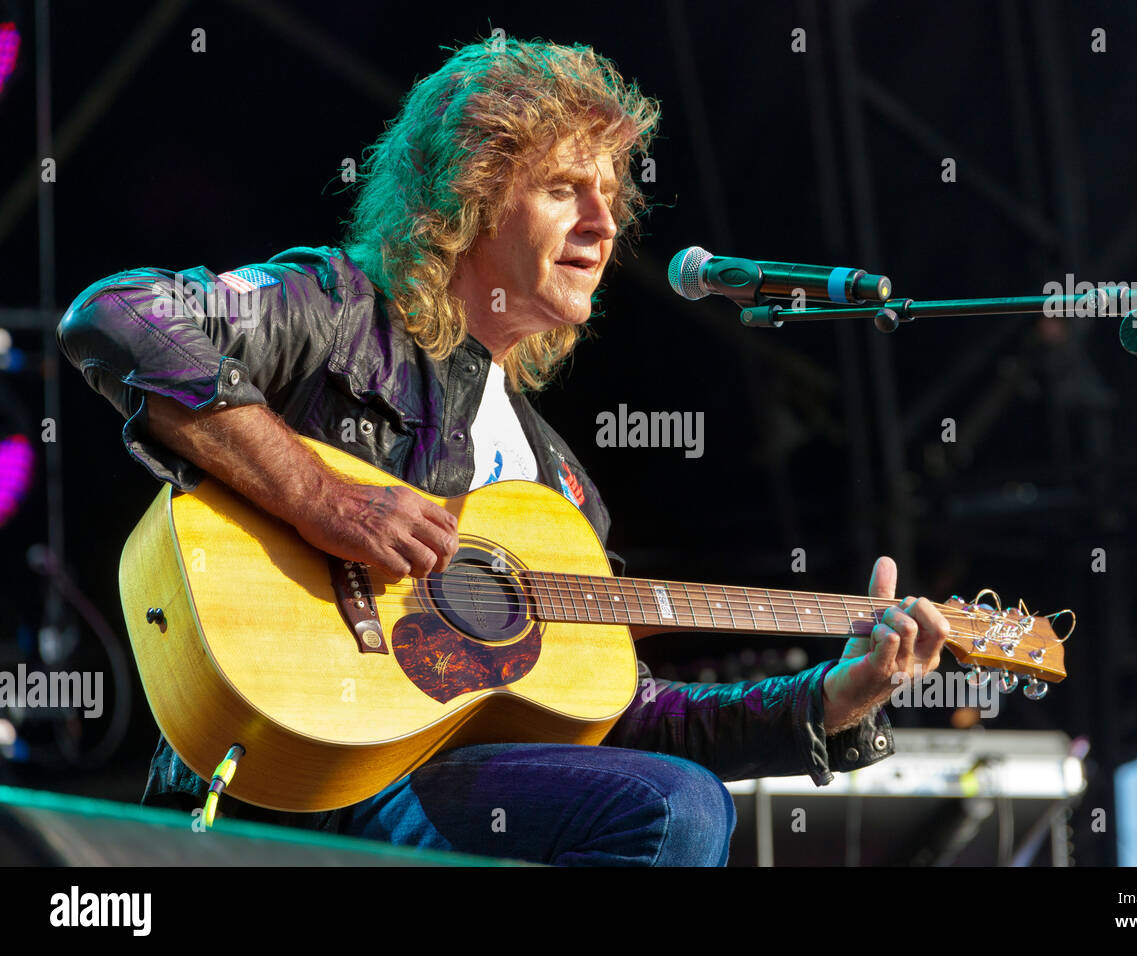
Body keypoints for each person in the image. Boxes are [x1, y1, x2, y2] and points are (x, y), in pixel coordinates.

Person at [57, 37, 948, 866]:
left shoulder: (559, 486)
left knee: (675, 802)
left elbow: (610, 714)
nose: (604, 225)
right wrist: (323, 497)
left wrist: (828, 703)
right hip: (302, 777)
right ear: (467, 196)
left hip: (447, 784)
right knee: (677, 809)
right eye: (565, 188)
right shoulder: (336, 314)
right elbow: (117, 316)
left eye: (611, 195)